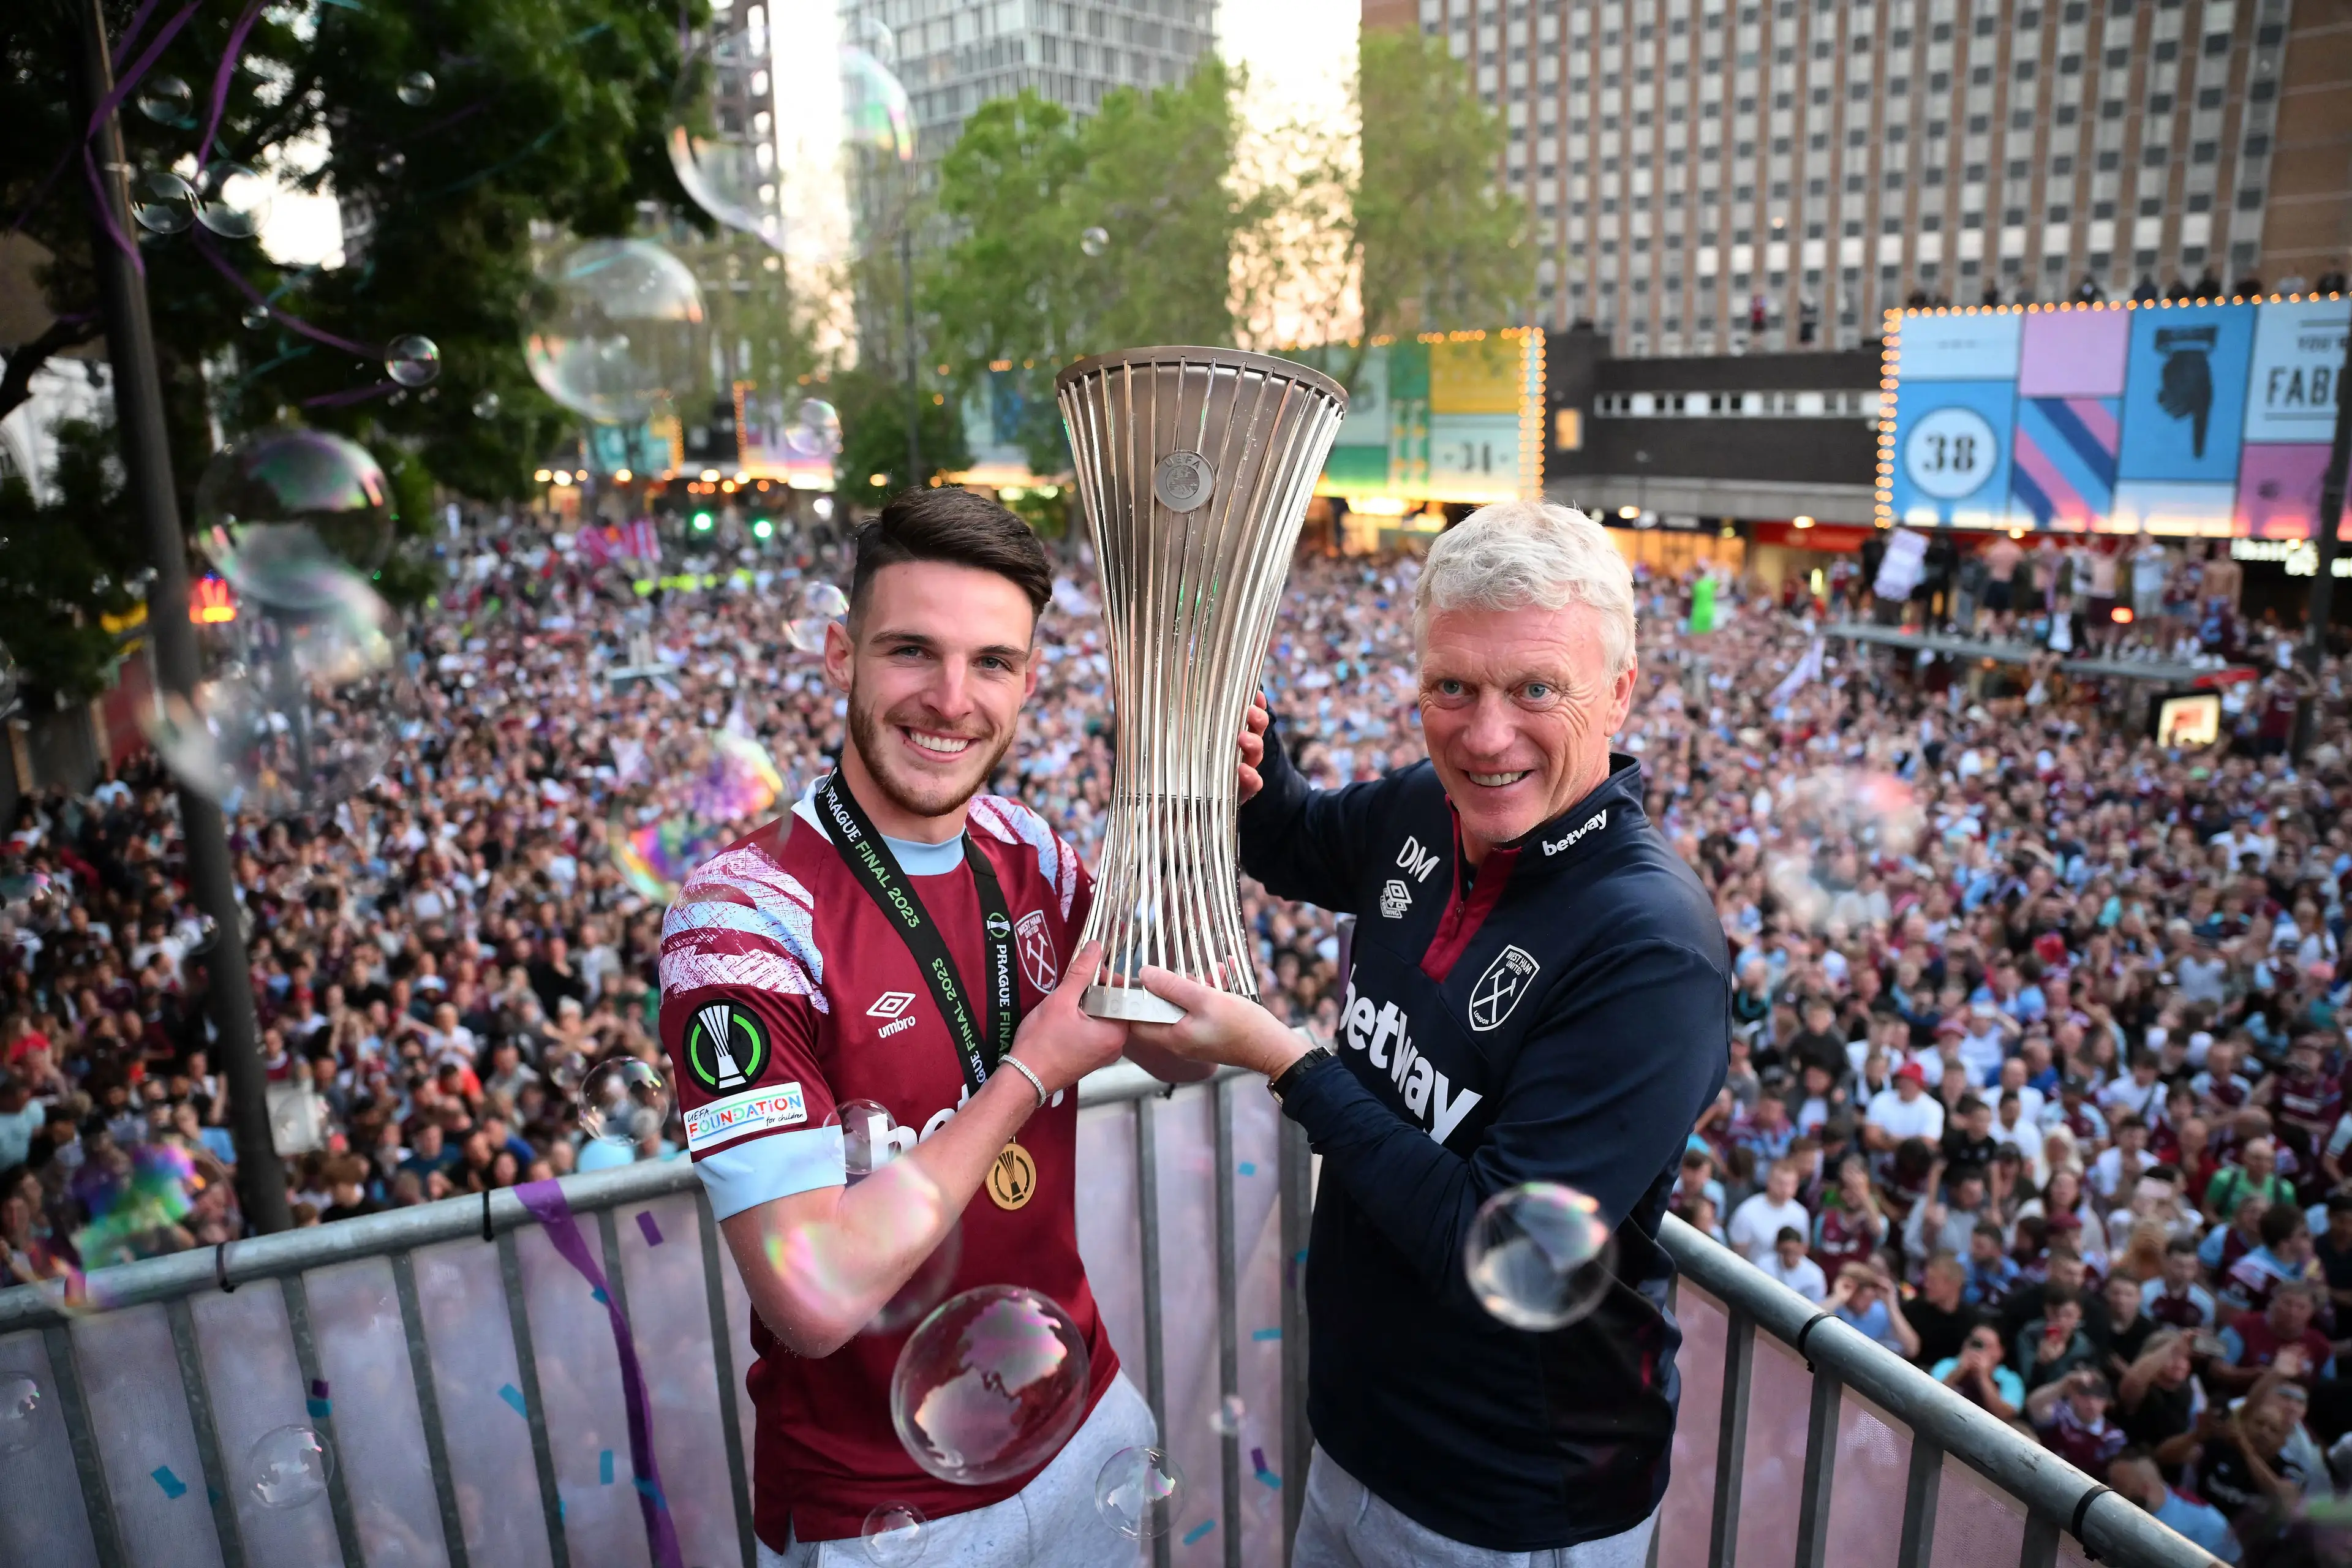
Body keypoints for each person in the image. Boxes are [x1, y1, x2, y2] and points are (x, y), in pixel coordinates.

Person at [1131, 501, 1730, 1564]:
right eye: (1452, 686)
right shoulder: (1427, 809)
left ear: (1622, 693)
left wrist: (1287, 1059)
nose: (1485, 734)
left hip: (1511, 1505)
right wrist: (1255, 768)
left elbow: (1499, 1250)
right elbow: (1304, 841)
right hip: (1356, 1441)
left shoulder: (1651, 950)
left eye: (1536, 689)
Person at [657, 491, 1150, 1565]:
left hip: (1085, 1429)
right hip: (888, 1515)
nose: (950, 699)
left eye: (992, 663)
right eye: (910, 652)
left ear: (1029, 681)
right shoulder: (740, 918)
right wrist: (1023, 1078)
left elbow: (1165, 1038)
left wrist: (1195, 810)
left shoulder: (1036, 849)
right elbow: (813, 1299)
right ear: (840, 656)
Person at [2106, 1449, 2239, 1563]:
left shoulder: (2206, 1523)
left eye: (2119, 1488)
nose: (2110, 1492)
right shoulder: (2124, 1512)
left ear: (2145, 1489)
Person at [1728, 1159, 1812, 1266]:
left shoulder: (1801, 1214)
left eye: (1790, 1184)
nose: (1785, 1189)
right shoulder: (1747, 1211)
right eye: (1781, 1183)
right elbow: (1738, 1253)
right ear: (1769, 1181)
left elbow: (1802, 1249)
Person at [1932, 1322, 2024, 1420]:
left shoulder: (2010, 1379)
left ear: (2000, 1352)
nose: (1979, 1350)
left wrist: (1983, 1377)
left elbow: (2005, 1416)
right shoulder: (1947, 1365)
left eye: (1987, 1346)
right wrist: (1959, 1370)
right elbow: (1932, 1398)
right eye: (1975, 1344)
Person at [1762, 1224, 1828, 1302]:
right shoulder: (1763, 1266)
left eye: (1795, 1252)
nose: (1790, 1258)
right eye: (1785, 1252)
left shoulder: (1815, 1275)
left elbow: (1818, 1305)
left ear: (1802, 1249)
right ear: (1778, 1248)